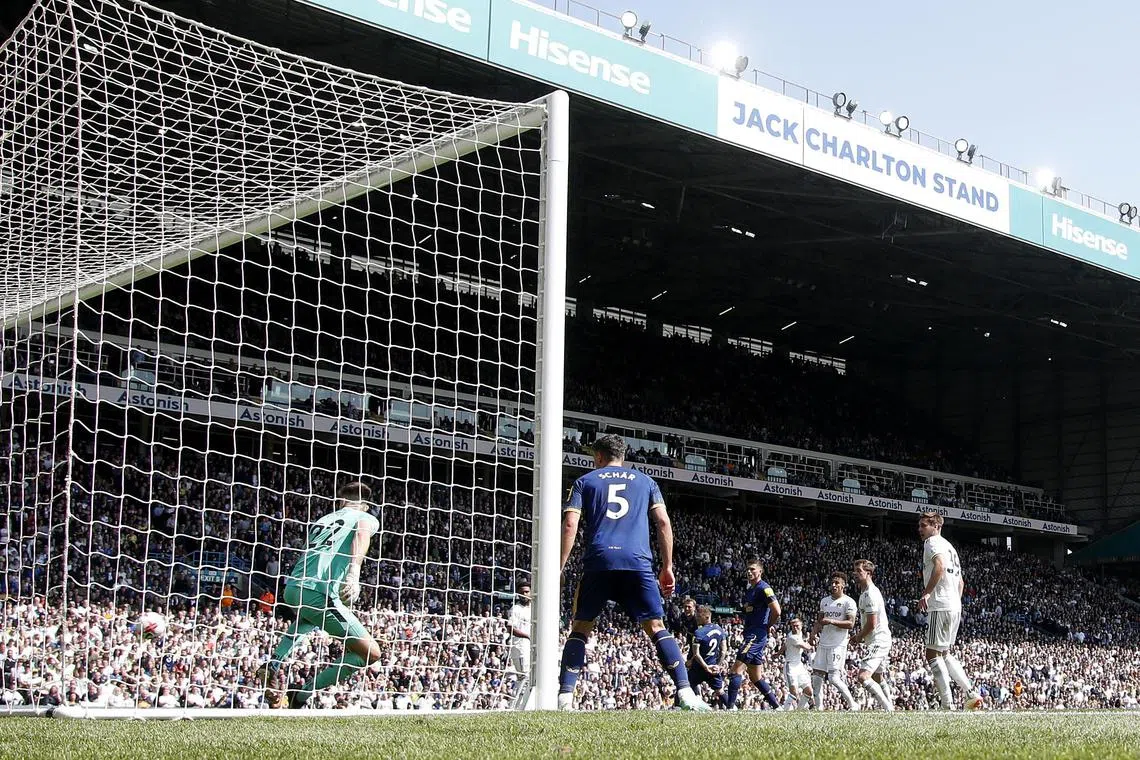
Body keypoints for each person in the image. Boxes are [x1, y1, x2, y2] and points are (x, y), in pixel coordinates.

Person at [557, 433, 709, 711]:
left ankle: (565, 697)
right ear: (622, 457)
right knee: (656, 627)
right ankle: (686, 693)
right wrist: (667, 567)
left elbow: (570, 525)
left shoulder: (585, 481)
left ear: (599, 457)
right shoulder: (646, 482)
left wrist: (559, 567)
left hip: (600, 561)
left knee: (580, 627)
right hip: (637, 563)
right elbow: (663, 522)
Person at [257, 481, 381, 708]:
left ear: (341, 501)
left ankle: (273, 664)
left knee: (307, 619)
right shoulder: (366, 518)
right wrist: (354, 573)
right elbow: (362, 535)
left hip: (294, 587)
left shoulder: (323, 521)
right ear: (364, 504)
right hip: (317, 591)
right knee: (371, 653)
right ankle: (302, 693)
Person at [917, 511, 983, 710]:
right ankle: (971, 692)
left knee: (932, 654)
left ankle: (947, 703)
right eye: (919, 526)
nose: (920, 530)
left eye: (924, 525)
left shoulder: (933, 543)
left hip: (940, 603)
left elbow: (940, 566)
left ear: (936, 526)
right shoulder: (950, 546)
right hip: (954, 604)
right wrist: (955, 600)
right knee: (944, 653)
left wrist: (927, 593)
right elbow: (961, 582)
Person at [724, 558, 782, 709]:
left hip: (756, 635)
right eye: (747, 569)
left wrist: (767, 626)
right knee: (755, 676)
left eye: (752, 569)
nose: (749, 572)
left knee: (736, 669)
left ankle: (730, 708)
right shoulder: (750, 590)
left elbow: (777, 611)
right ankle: (777, 706)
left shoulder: (764, 588)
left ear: (760, 571)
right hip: (750, 633)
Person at [810, 571, 859, 711]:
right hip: (823, 643)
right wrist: (813, 634)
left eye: (837, 583)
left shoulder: (848, 602)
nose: (833, 585)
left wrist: (831, 620)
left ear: (843, 585)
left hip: (837, 644)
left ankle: (852, 704)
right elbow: (819, 621)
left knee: (833, 679)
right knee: (817, 677)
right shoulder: (824, 601)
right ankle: (818, 707)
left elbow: (850, 624)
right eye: (832, 582)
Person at [850, 559, 894, 711]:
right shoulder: (864, 592)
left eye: (859, 571)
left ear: (868, 573)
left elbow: (871, 624)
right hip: (876, 639)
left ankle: (888, 708)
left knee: (863, 677)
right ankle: (891, 708)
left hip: (878, 640)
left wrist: (858, 637)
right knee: (877, 677)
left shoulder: (870, 594)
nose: (855, 574)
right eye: (854, 570)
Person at [686, 605, 728, 707]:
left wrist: (705, 667)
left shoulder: (699, 632)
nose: (696, 618)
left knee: (685, 686)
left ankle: (677, 708)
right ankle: (732, 707)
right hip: (713, 667)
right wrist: (718, 665)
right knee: (720, 691)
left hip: (699, 668)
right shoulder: (720, 629)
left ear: (707, 617)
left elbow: (696, 654)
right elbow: (723, 650)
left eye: (699, 617)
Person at [507, 581, 532, 710]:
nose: (525, 594)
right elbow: (510, 628)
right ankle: (515, 706)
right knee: (524, 677)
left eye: (527, 592)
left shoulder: (533, 608)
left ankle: (525, 705)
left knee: (530, 677)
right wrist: (528, 636)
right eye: (522, 592)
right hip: (520, 648)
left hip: (531, 647)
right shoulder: (515, 609)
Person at [780, 618, 814, 710]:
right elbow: (805, 647)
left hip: (799, 665)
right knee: (794, 693)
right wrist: (813, 645)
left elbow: (785, 645)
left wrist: (778, 653)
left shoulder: (798, 635)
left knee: (809, 691)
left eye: (797, 626)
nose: (795, 628)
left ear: (801, 626)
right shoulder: (792, 637)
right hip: (791, 666)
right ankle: (785, 711)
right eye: (793, 626)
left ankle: (799, 710)